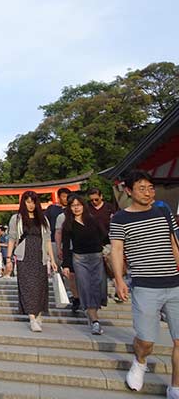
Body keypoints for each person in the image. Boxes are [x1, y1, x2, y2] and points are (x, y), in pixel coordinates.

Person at [110, 170, 179, 397]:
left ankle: (175, 387)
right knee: (147, 341)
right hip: (145, 285)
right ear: (129, 191)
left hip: (174, 283)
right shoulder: (120, 218)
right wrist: (119, 280)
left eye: (151, 188)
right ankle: (140, 361)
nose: (148, 193)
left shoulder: (163, 211)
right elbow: (117, 250)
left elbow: (174, 242)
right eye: (142, 188)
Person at [6, 191, 58, 332]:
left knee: (40, 286)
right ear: (23, 202)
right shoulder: (16, 219)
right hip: (24, 255)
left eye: (33, 202)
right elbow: (12, 238)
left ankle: (38, 313)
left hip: (40, 255)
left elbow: (47, 241)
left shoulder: (43, 219)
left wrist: (52, 260)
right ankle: (32, 318)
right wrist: (8, 258)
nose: (31, 205)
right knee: (27, 286)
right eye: (28, 202)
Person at [61, 194, 106, 335]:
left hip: (97, 257)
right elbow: (66, 246)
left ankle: (94, 313)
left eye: (78, 205)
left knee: (98, 286)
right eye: (73, 206)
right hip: (79, 259)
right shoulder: (68, 224)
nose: (76, 208)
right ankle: (94, 320)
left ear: (83, 206)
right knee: (85, 287)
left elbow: (105, 236)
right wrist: (66, 265)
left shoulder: (93, 220)